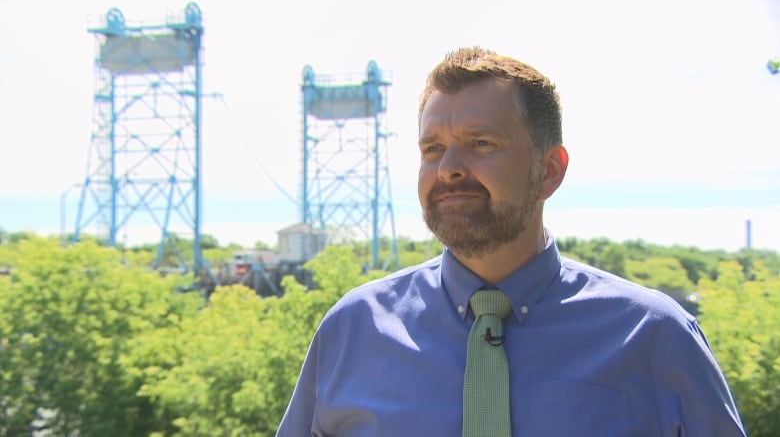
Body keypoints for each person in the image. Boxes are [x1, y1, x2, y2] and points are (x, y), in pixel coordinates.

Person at [276, 46, 746, 436]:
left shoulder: (655, 339)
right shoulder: (352, 331)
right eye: (432, 148)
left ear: (550, 170)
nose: (449, 168)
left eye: (481, 143)